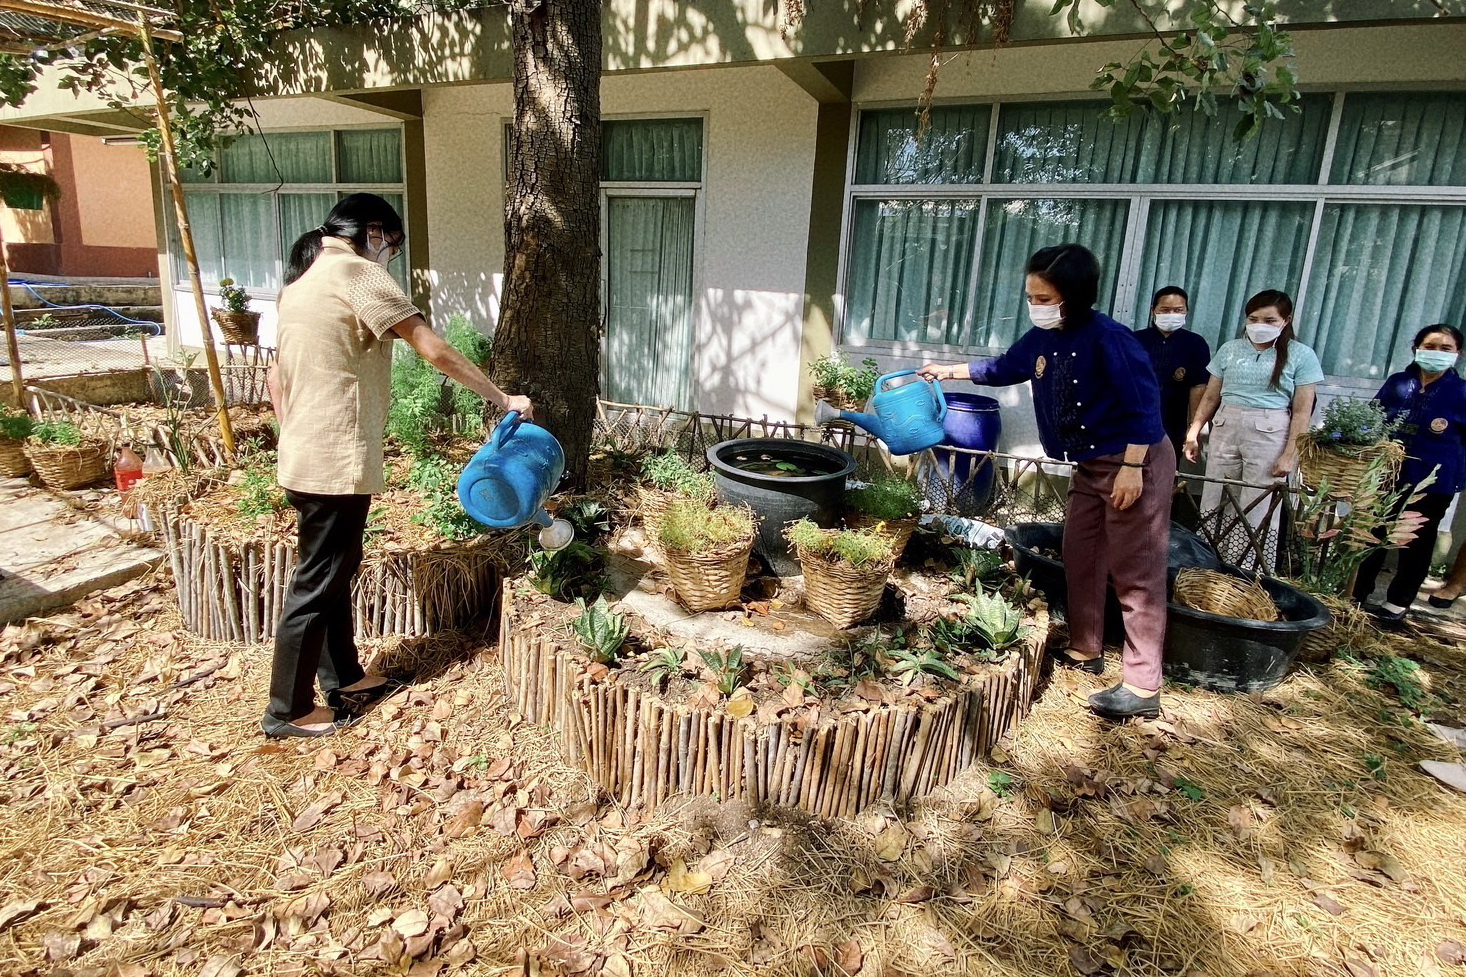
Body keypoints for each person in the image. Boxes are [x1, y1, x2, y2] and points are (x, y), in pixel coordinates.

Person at [262, 193, 533, 739]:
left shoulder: (301, 282)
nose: (390, 254)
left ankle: (343, 677)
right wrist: (503, 398)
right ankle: (286, 710)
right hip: (333, 459)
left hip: (305, 452)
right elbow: (433, 349)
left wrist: (296, 435)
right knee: (317, 580)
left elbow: (275, 377)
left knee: (334, 571)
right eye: (393, 243)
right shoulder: (357, 275)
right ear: (373, 231)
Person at [919, 243, 1173, 721]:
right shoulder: (1042, 338)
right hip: (1090, 464)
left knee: (1135, 570)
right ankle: (1086, 647)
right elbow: (1002, 368)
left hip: (1132, 460)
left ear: (1073, 296)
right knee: (1081, 552)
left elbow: (1145, 406)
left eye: (1044, 297)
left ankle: (1143, 686)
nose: (1035, 306)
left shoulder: (1111, 339)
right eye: (1031, 297)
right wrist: (947, 370)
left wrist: (1133, 468)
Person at [1183, 290, 1322, 569]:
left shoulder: (1301, 355)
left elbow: (1302, 411)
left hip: (1270, 432)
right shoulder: (1230, 349)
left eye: (1269, 320)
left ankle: (1246, 571)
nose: (1260, 325)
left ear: (1286, 320)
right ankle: (1207, 566)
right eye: (1253, 318)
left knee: (1257, 502)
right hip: (1226, 426)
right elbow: (1210, 397)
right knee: (1214, 496)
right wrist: (1193, 432)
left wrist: (1289, 455)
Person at [1352, 324, 1466, 625]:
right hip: (1386, 475)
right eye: (1430, 346)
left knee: (1416, 541)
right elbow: (1371, 419)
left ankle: (1398, 602)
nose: (1437, 353)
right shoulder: (1399, 383)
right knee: (1371, 535)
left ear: (1458, 354)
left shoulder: (1461, 392)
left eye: (1445, 349)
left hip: (1433, 481)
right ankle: (1356, 594)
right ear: (1416, 348)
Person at [1135, 286, 1211, 455]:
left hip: (1174, 422)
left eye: (1178, 310)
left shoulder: (1195, 344)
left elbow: (1198, 386)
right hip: (1135, 418)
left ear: (1186, 312)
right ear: (1153, 310)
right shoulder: (1135, 340)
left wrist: (1193, 428)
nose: (1171, 315)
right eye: (1165, 310)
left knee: (1166, 466)